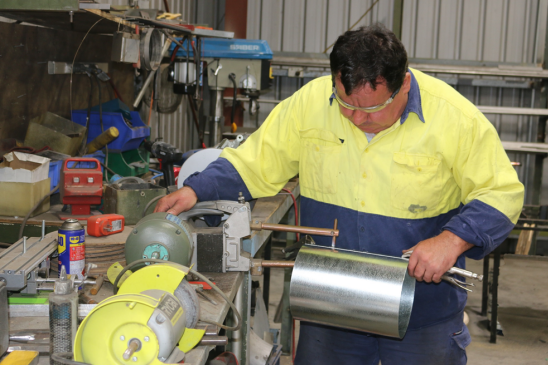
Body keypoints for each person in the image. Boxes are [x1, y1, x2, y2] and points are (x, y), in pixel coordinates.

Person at [155, 25, 524, 365]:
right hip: (330, 308)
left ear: (405, 85)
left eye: (371, 109)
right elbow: (255, 162)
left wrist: (451, 241)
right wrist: (195, 190)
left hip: (421, 312)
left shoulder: (454, 118)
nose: (356, 118)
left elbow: (502, 192)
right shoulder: (311, 103)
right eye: (346, 104)